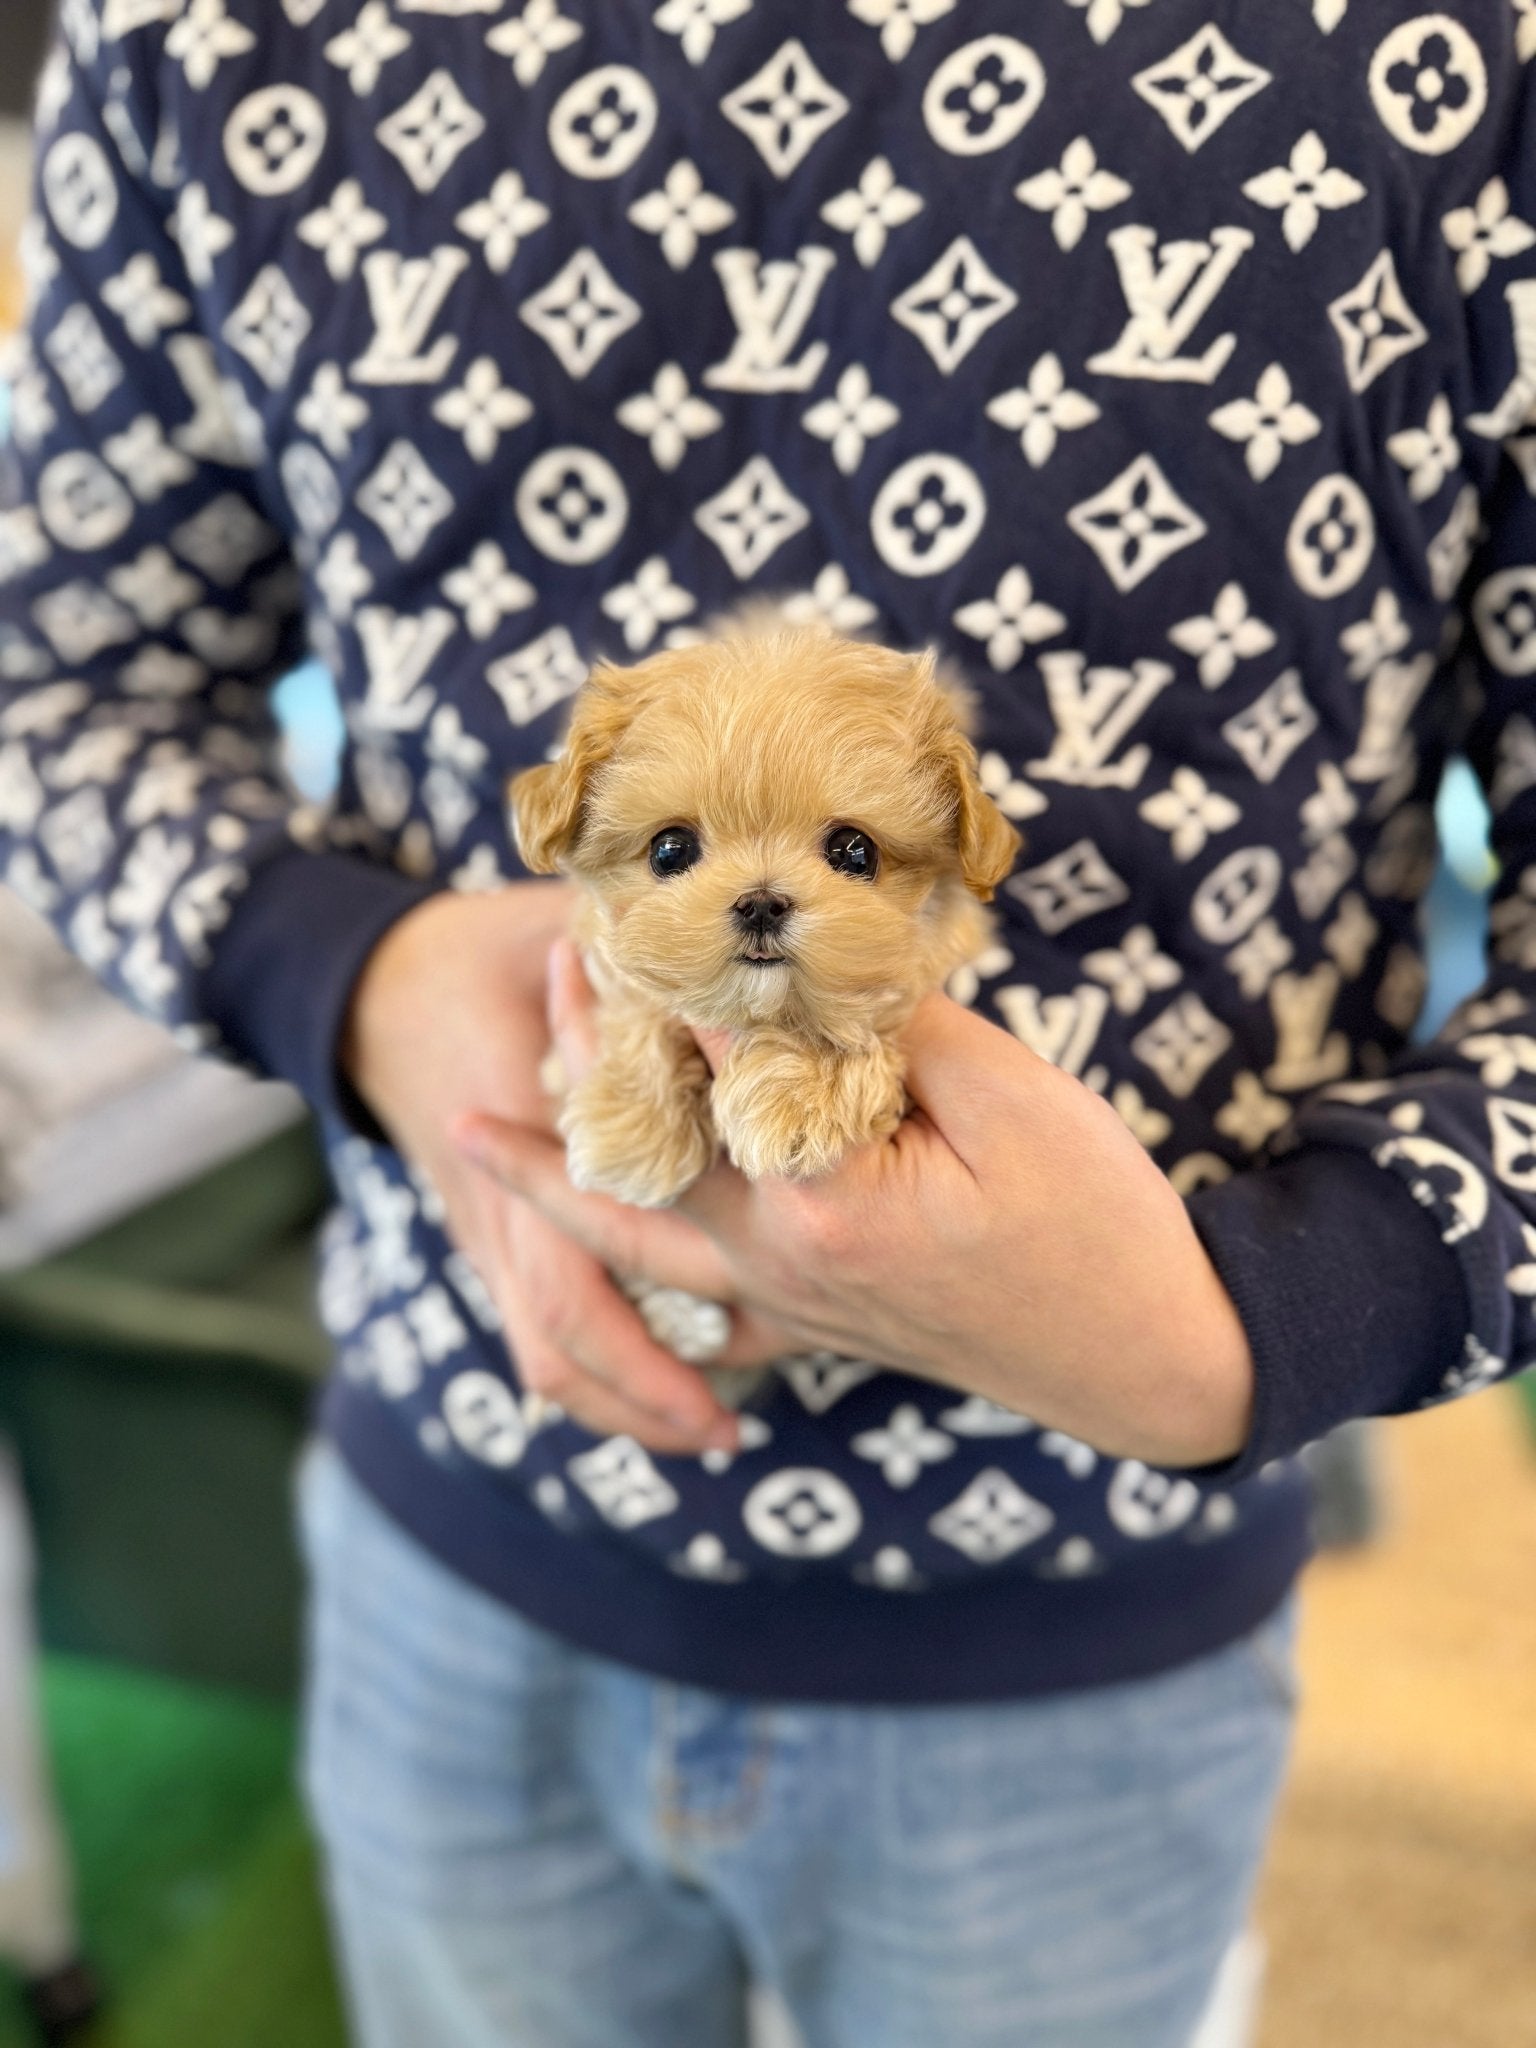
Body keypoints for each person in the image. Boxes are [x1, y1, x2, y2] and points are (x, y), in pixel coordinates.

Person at [2, 3, 1533, 2041]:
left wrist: (1263, 1314)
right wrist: (355, 978)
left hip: (1092, 1629)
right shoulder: (201, 26)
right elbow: (55, 687)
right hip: (450, 1544)